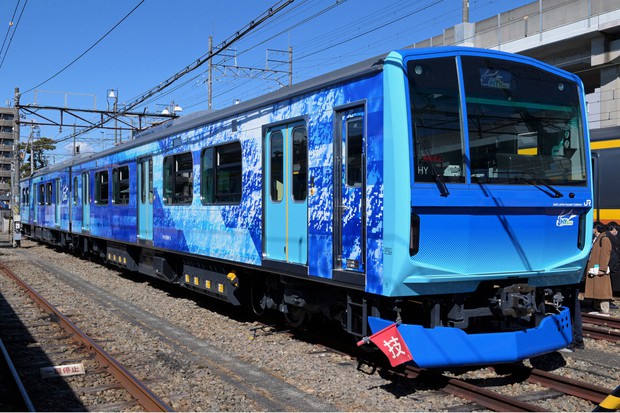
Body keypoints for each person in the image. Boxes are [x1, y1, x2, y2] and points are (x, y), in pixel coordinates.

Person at [583, 223, 613, 316]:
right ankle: (597, 308)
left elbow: (605, 254)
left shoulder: (604, 239)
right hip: (594, 269)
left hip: (599, 269)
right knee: (596, 289)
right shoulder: (596, 239)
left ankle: (605, 310)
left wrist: (602, 269)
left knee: (603, 290)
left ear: (596, 229)